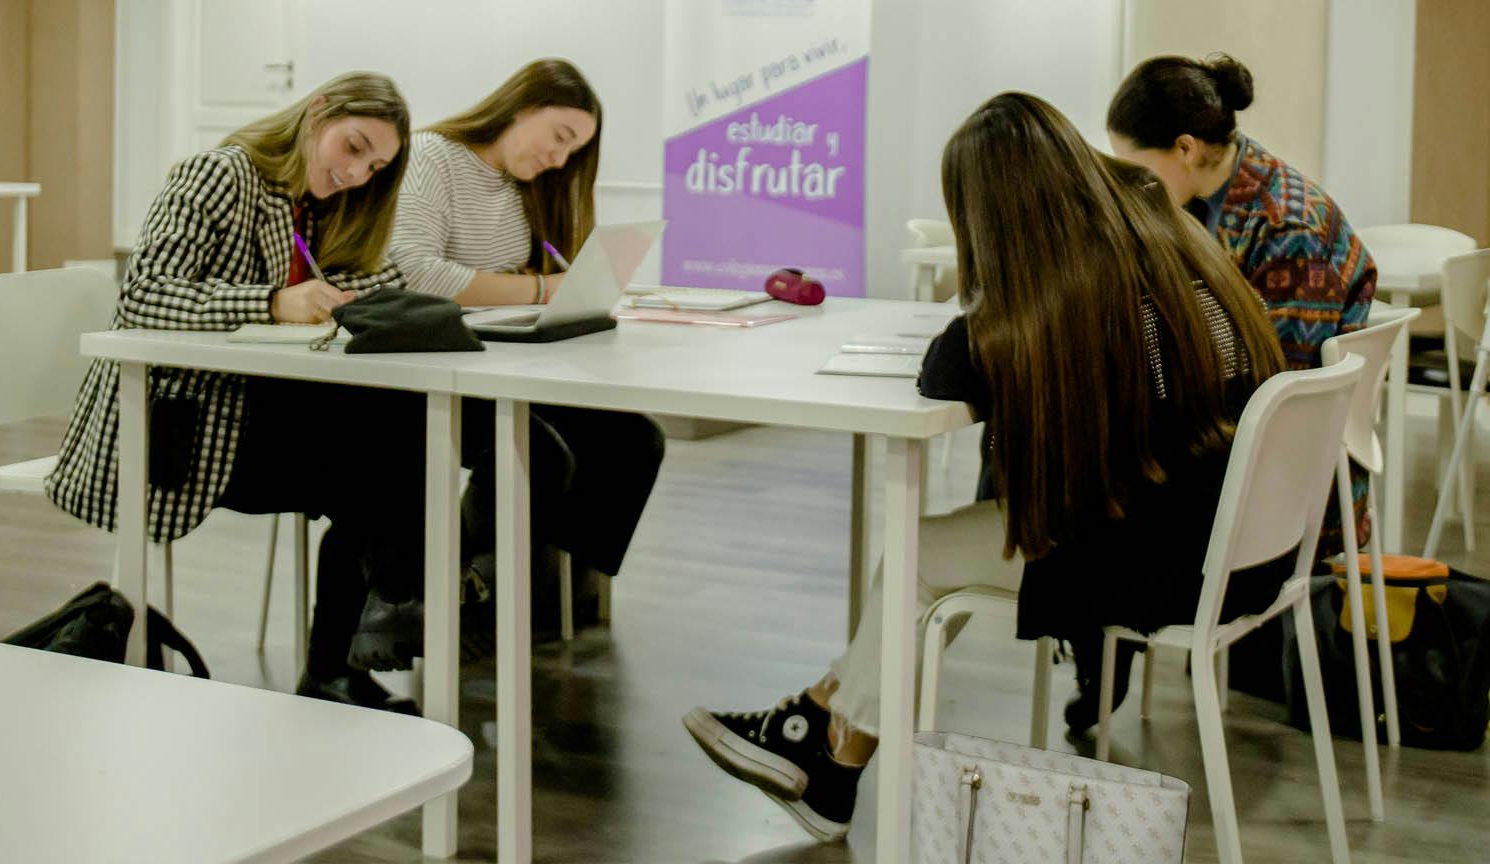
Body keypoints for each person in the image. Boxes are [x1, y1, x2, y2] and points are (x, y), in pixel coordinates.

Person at [683, 93, 1287, 844]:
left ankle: (829, 750)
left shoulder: (1071, 287)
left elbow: (946, 369)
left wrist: (986, 293)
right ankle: (824, 729)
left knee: (919, 556)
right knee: (934, 552)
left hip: (1160, 559)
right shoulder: (1163, 235)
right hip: (1234, 544)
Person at [47, 72, 425, 711]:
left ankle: (379, 619)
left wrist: (361, 298)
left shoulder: (330, 205)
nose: (358, 173)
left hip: (263, 414)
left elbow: (377, 280)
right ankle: (383, 618)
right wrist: (273, 302)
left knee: (398, 436)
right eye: (354, 147)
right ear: (317, 111)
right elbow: (143, 294)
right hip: (180, 429)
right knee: (386, 454)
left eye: (376, 167)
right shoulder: (220, 175)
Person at [389, 58, 664, 631]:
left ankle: (552, 598)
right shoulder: (432, 157)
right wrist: (542, 288)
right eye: (559, 137)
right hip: (434, 367)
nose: (559, 160)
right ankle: (454, 596)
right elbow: (417, 272)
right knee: (539, 451)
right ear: (522, 107)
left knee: (633, 440)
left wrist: (564, 293)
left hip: (501, 361)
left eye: (572, 150)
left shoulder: (526, 185)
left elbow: (511, 281)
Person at [1106, 53, 1376, 370]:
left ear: (1186, 149)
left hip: (1277, 393)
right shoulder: (1202, 193)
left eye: (1138, 170)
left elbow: (1285, 369)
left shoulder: (1289, 228)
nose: (1136, 184)